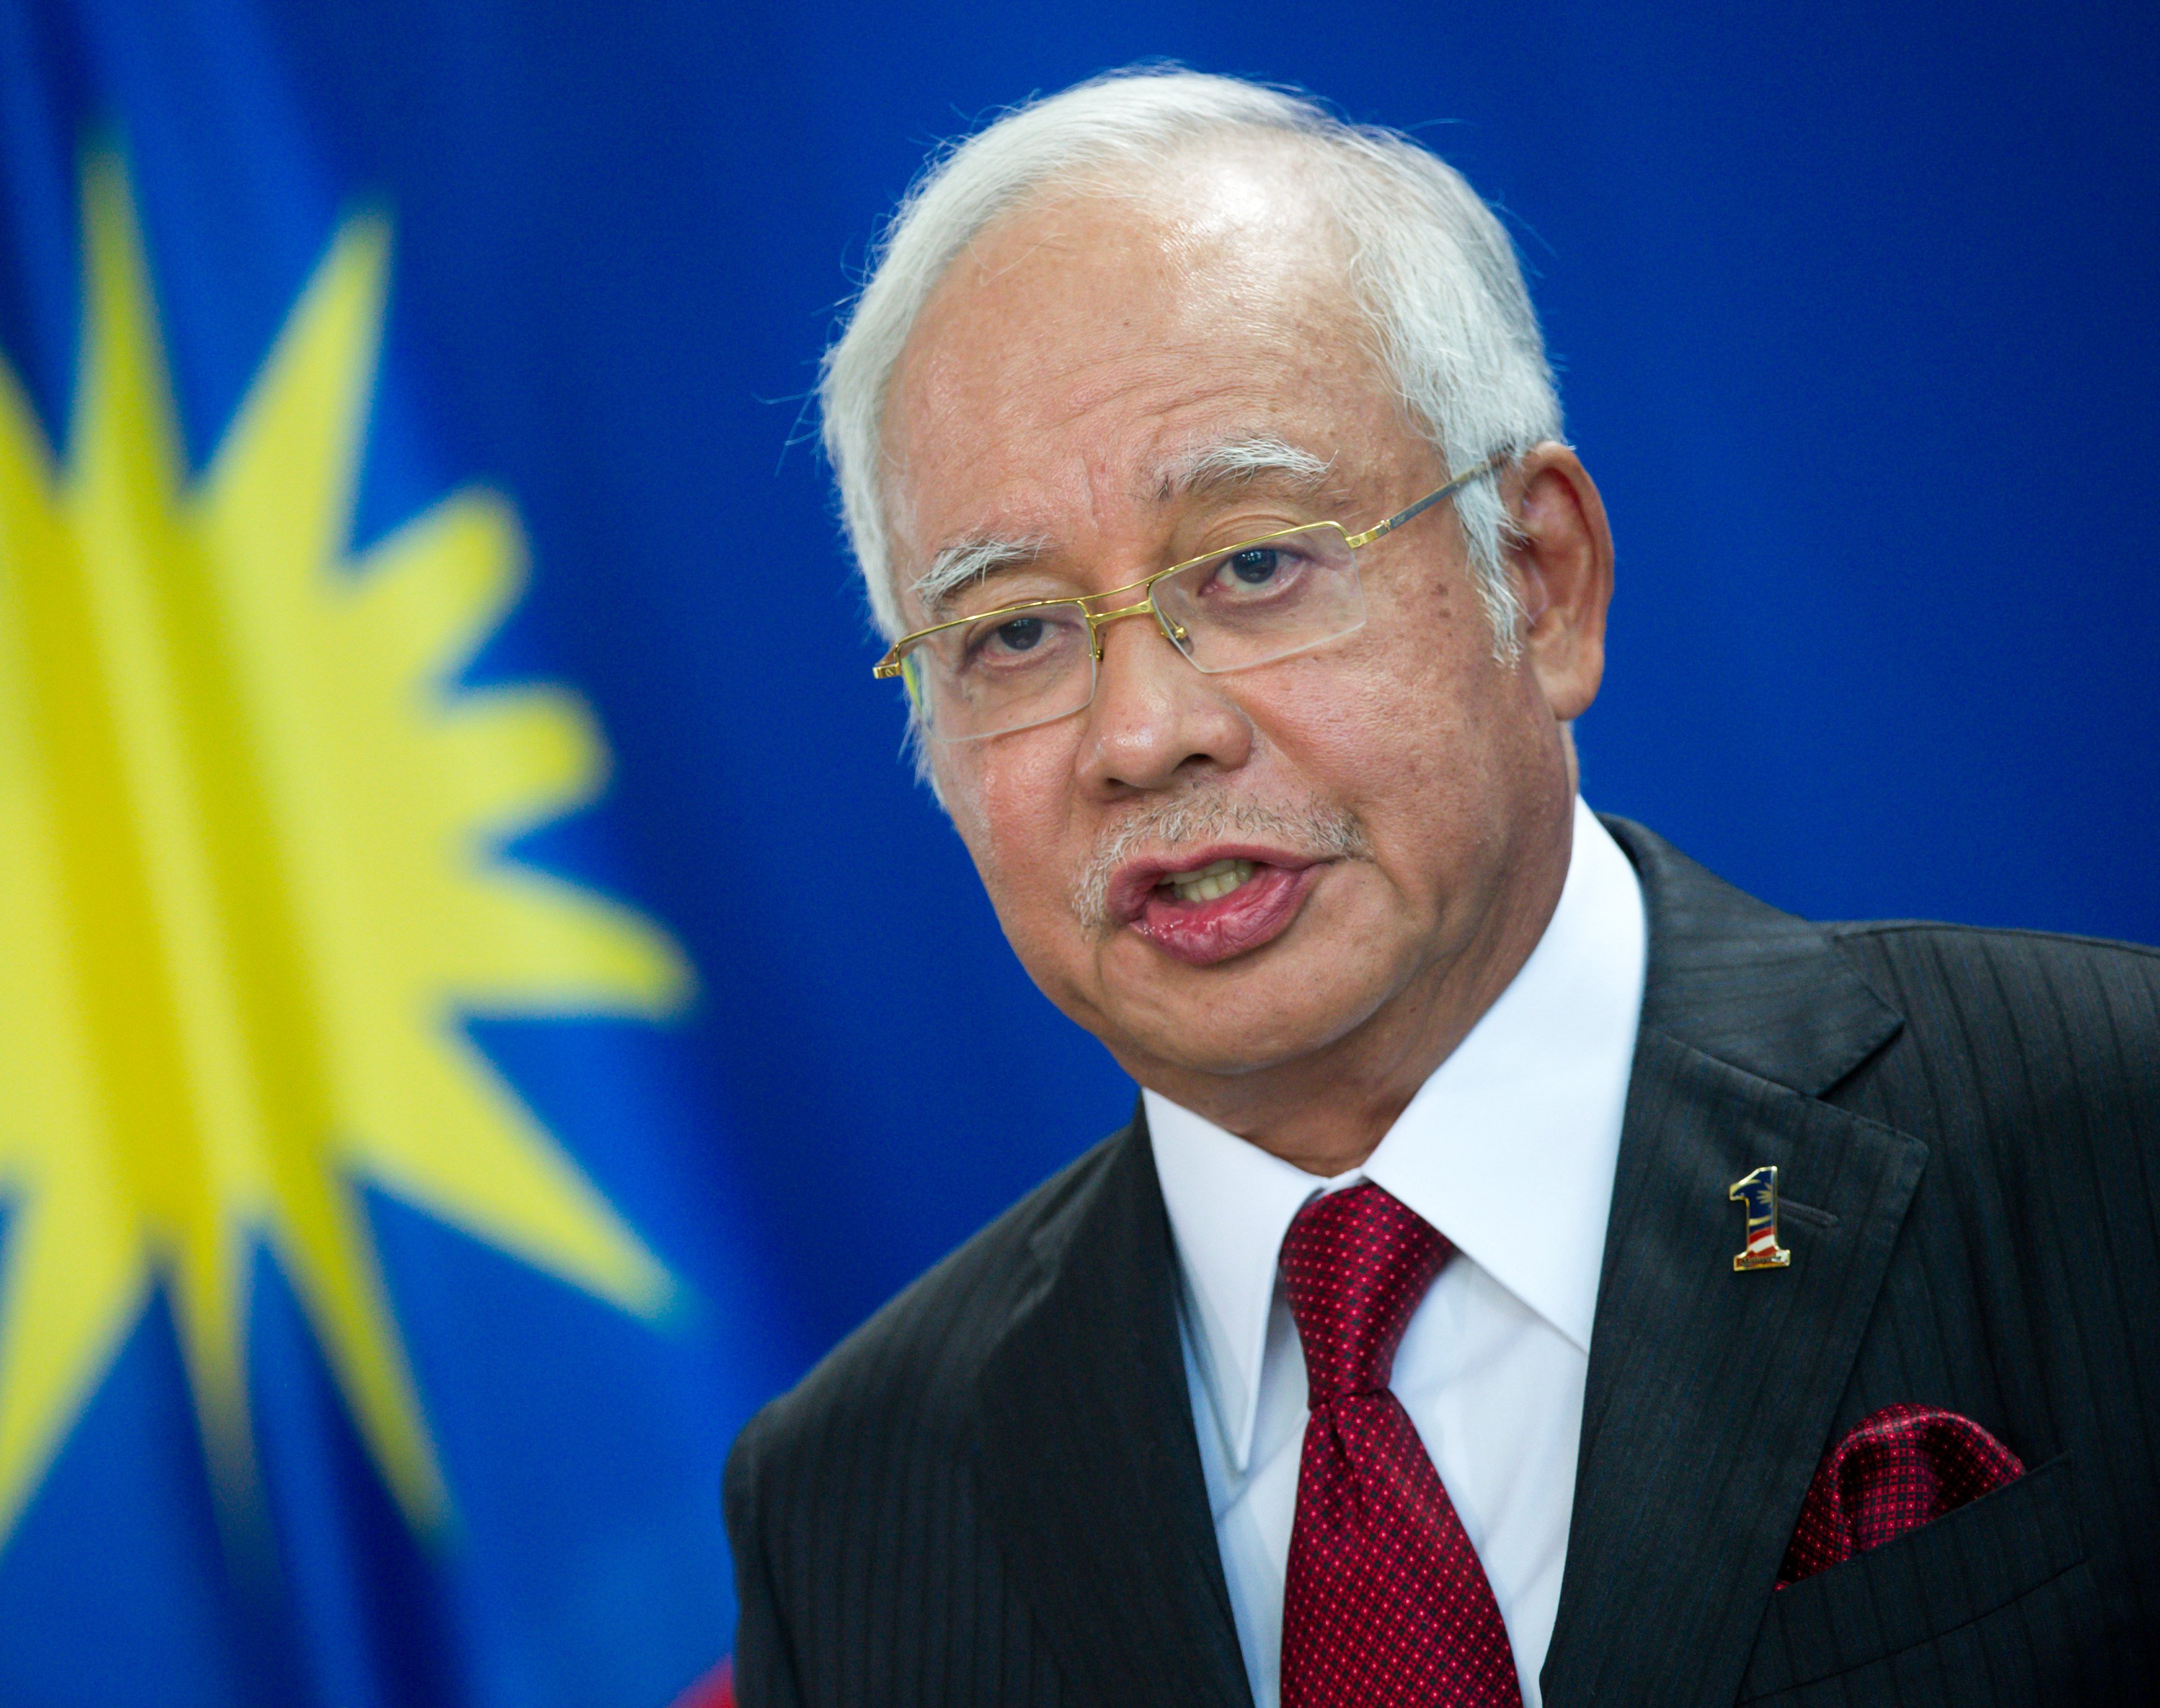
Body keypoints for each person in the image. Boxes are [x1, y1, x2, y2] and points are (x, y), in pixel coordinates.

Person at [721, 67, 2159, 1708]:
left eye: (1253, 565)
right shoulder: (848, 1497)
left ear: (1537, 580)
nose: (1142, 734)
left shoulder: (2110, 1135)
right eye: (1014, 634)